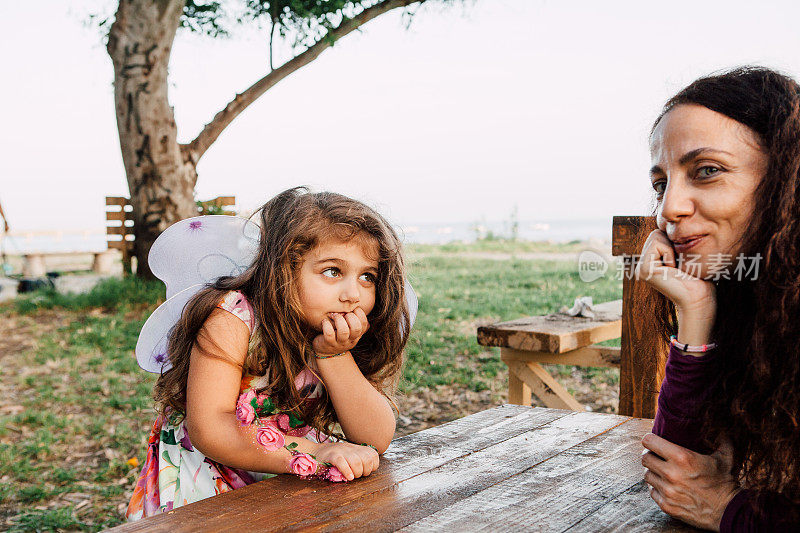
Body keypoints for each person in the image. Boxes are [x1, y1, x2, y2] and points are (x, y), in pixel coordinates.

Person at [126, 187, 412, 519]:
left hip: (281, 482)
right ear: (284, 268)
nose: (353, 294)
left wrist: (334, 357)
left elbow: (375, 438)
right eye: (333, 271)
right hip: (205, 486)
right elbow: (210, 428)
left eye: (367, 277)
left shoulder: (327, 332)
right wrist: (318, 452)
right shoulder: (234, 317)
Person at [636, 67, 800, 531]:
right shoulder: (756, 300)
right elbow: (678, 473)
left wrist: (730, 510)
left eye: (706, 171)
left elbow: (699, 497)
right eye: (661, 182)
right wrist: (695, 310)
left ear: (787, 179)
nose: (669, 208)